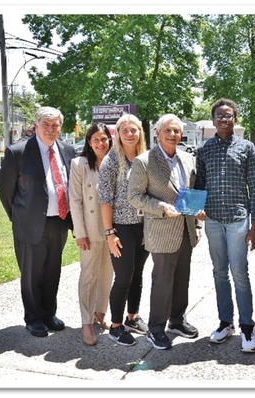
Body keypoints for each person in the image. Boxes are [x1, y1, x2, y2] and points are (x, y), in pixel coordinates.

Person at [0, 106, 74, 338]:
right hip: (29, 225)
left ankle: (49, 313)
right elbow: (4, 189)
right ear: (36, 125)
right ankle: (33, 318)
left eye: (55, 125)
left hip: (58, 222)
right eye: (46, 125)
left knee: (52, 271)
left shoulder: (67, 150)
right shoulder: (18, 152)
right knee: (31, 274)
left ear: (60, 127)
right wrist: (19, 216)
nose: (51, 129)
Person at [128, 114, 203, 350]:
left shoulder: (188, 158)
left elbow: (193, 192)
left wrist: (198, 223)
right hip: (161, 231)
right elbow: (134, 197)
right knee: (162, 281)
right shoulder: (144, 161)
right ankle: (156, 328)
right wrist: (161, 207)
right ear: (157, 134)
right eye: (168, 131)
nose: (173, 135)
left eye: (177, 131)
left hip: (186, 230)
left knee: (182, 279)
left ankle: (177, 320)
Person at [195, 98, 255, 353]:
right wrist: (196, 209)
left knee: (240, 274)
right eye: (220, 116)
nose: (224, 119)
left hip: (237, 220)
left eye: (229, 115)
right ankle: (226, 323)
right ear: (213, 120)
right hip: (213, 220)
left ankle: (247, 326)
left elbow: (254, 186)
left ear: (235, 119)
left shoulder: (246, 147)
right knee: (219, 273)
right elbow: (200, 183)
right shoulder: (205, 149)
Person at [98, 114, 150, 346]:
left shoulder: (146, 159)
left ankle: (132, 317)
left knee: (138, 273)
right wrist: (110, 233)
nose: (130, 134)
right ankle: (116, 326)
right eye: (125, 130)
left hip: (144, 226)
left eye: (134, 130)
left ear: (141, 133)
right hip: (121, 228)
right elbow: (105, 200)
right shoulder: (112, 160)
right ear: (117, 134)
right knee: (123, 276)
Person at [68, 123, 114, 346]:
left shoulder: (115, 161)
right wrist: (80, 233)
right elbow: (75, 201)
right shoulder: (79, 164)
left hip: (113, 229)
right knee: (89, 276)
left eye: (104, 138)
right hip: (90, 227)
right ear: (88, 141)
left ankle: (100, 313)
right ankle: (86, 322)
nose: (100, 143)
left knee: (107, 274)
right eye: (95, 139)